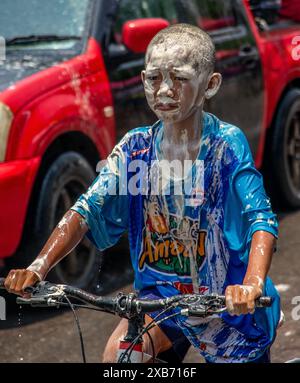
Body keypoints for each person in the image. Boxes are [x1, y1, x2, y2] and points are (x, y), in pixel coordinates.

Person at [4, 24, 280, 363]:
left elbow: (260, 218)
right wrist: (38, 266)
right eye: (154, 79)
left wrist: (251, 283)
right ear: (143, 79)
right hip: (160, 302)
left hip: (226, 305)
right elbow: (86, 209)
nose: (164, 90)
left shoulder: (225, 145)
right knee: (119, 359)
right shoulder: (135, 148)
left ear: (211, 85)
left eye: (179, 78)